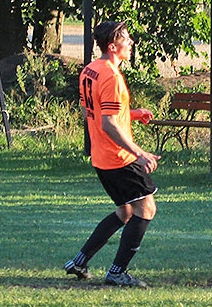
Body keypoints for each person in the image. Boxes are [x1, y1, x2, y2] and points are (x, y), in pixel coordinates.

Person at [64, 20, 160, 288]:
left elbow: (91, 114)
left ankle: (80, 261)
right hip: (119, 157)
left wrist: (130, 114)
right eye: (126, 40)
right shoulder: (112, 76)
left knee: (126, 211)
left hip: (101, 157)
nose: (131, 43)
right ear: (112, 46)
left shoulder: (90, 71)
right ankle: (117, 272)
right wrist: (139, 152)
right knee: (146, 208)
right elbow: (107, 123)